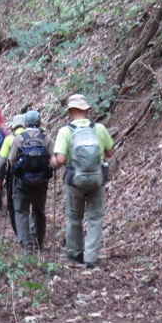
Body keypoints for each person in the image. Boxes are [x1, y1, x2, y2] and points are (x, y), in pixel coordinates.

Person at [51, 94, 114, 269]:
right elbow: (109, 154)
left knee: (74, 217)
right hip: (96, 179)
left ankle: (74, 252)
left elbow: (61, 159)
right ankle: (91, 257)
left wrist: (53, 162)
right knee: (95, 217)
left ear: (70, 111)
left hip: (74, 181)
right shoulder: (99, 129)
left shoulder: (65, 131)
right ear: (87, 110)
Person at [8, 110, 53, 256]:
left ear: (25, 124)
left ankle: (27, 245)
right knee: (39, 210)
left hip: (22, 182)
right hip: (41, 181)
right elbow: (54, 159)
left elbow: (11, 160)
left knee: (21, 211)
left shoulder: (19, 139)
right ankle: (39, 241)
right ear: (40, 123)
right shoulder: (45, 139)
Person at [0, 113, 25, 239]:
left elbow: (2, 162)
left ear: (13, 127)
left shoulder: (9, 139)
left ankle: (20, 235)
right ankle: (36, 234)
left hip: (15, 177)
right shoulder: (38, 136)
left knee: (13, 206)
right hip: (37, 176)